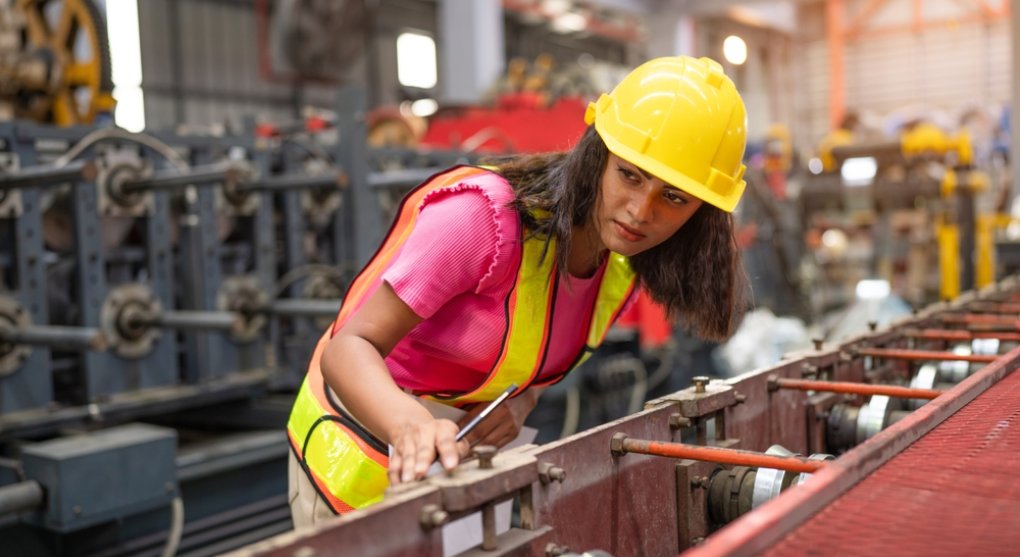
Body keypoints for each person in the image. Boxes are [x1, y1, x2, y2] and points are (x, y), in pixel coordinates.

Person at [286, 55, 749, 527]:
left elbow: (534, 358)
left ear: (703, 213)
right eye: (629, 175)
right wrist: (408, 425)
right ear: (598, 154)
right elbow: (348, 347)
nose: (639, 211)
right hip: (351, 469)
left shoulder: (621, 264)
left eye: (673, 197)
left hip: (457, 473)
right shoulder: (478, 221)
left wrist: (519, 403)